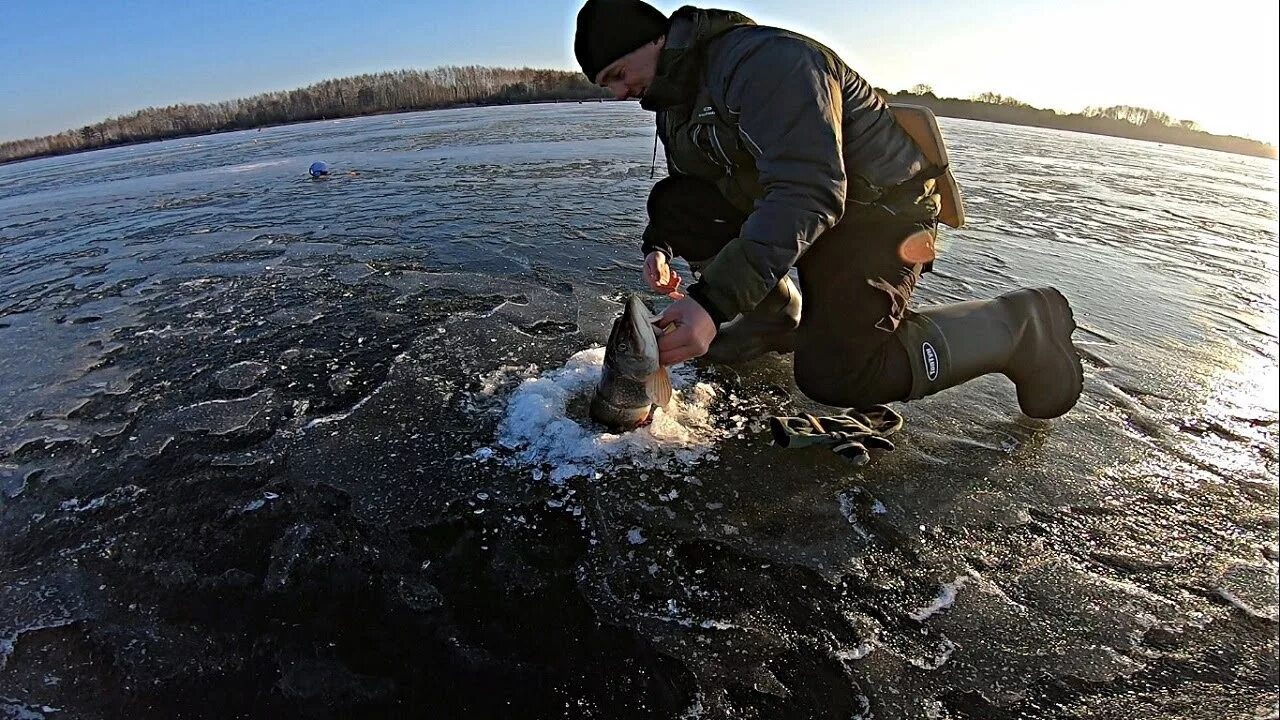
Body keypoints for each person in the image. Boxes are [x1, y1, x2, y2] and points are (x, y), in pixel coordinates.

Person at [572, 0, 1083, 418]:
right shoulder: (674, 98)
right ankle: (774, 319)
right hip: (808, 209)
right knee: (675, 204)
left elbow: (809, 189)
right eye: (606, 85)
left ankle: (1020, 325)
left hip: (878, 214)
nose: (619, 93)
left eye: (618, 74)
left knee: (837, 372)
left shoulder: (765, 62)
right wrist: (659, 244)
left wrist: (711, 304)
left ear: (656, 39)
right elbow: (691, 186)